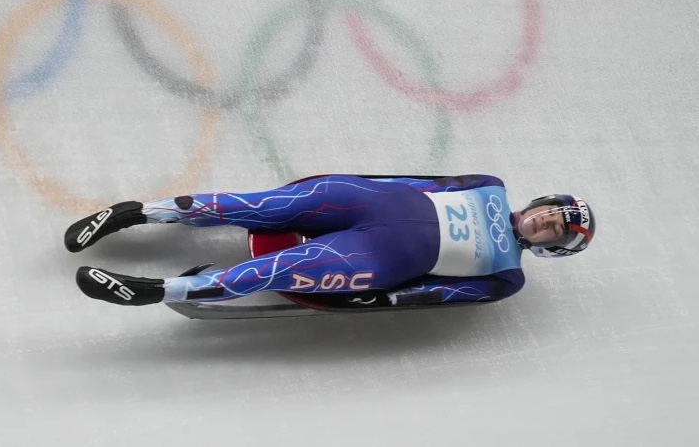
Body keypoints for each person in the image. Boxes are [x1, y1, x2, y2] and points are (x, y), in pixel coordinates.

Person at [63, 174, 595, 308]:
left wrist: (380, 298)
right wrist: (358, 183)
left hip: (377, 258)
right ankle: (135, 213)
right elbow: (420, 184)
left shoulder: (507, 278)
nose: (545, 220)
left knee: (274, 272)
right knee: (257, 204)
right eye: (551, 210)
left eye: (555, 227)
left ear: (552, 245)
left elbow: (438, 293)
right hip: (365, 201)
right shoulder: (491, 185)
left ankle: (153, 291)